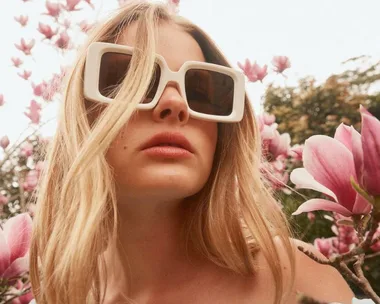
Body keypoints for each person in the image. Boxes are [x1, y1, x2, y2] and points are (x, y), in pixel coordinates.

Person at [29, 1, 355, 303]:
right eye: (133, 79)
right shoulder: (75, 292)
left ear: (221, 134)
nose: (175, 104)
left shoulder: (290, 274)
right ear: (82, 118)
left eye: (202, 91)